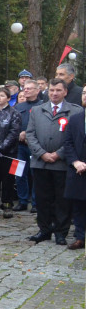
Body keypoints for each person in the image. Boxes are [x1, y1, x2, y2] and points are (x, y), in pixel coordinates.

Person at [26, 79, 82, 245]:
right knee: (42, 198)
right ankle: (44, 229)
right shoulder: (37, 110)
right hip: (40, 162)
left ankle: (60, 231)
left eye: (58, 90)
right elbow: (30, 135)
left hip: (62, 164)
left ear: (65, 92)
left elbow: (74, 139)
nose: (54, 93)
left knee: (61, 200)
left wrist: (58, 154)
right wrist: (42, 153)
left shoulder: (74, 111)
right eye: (51, 90)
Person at [0, 85, 21, 218]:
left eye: (2, 96)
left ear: (8, 98)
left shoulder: (14, 113)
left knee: (8, 179)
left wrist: (2, 148)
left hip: (9, 153)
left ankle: (7, 204)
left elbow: (14, 132)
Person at [14, 78, 44, 211]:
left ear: (37, 90)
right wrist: (19, 133)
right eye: (24, 88)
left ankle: (36, 203)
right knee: (18, 173)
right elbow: (12, 124)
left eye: (29, 88)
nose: (25, 90)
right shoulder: (18, 107)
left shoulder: (43, 106)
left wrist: (29, 135)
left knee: (35, 174)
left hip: (35, 146)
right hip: (19, 146)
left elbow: (45, 126)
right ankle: (22, 200)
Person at [61, 106, 86, 250]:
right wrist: (75, 162)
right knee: (78, 205)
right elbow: (68, 143)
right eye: (84, 93)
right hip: (78, 169)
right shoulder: (75, 119)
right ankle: (80, 237)